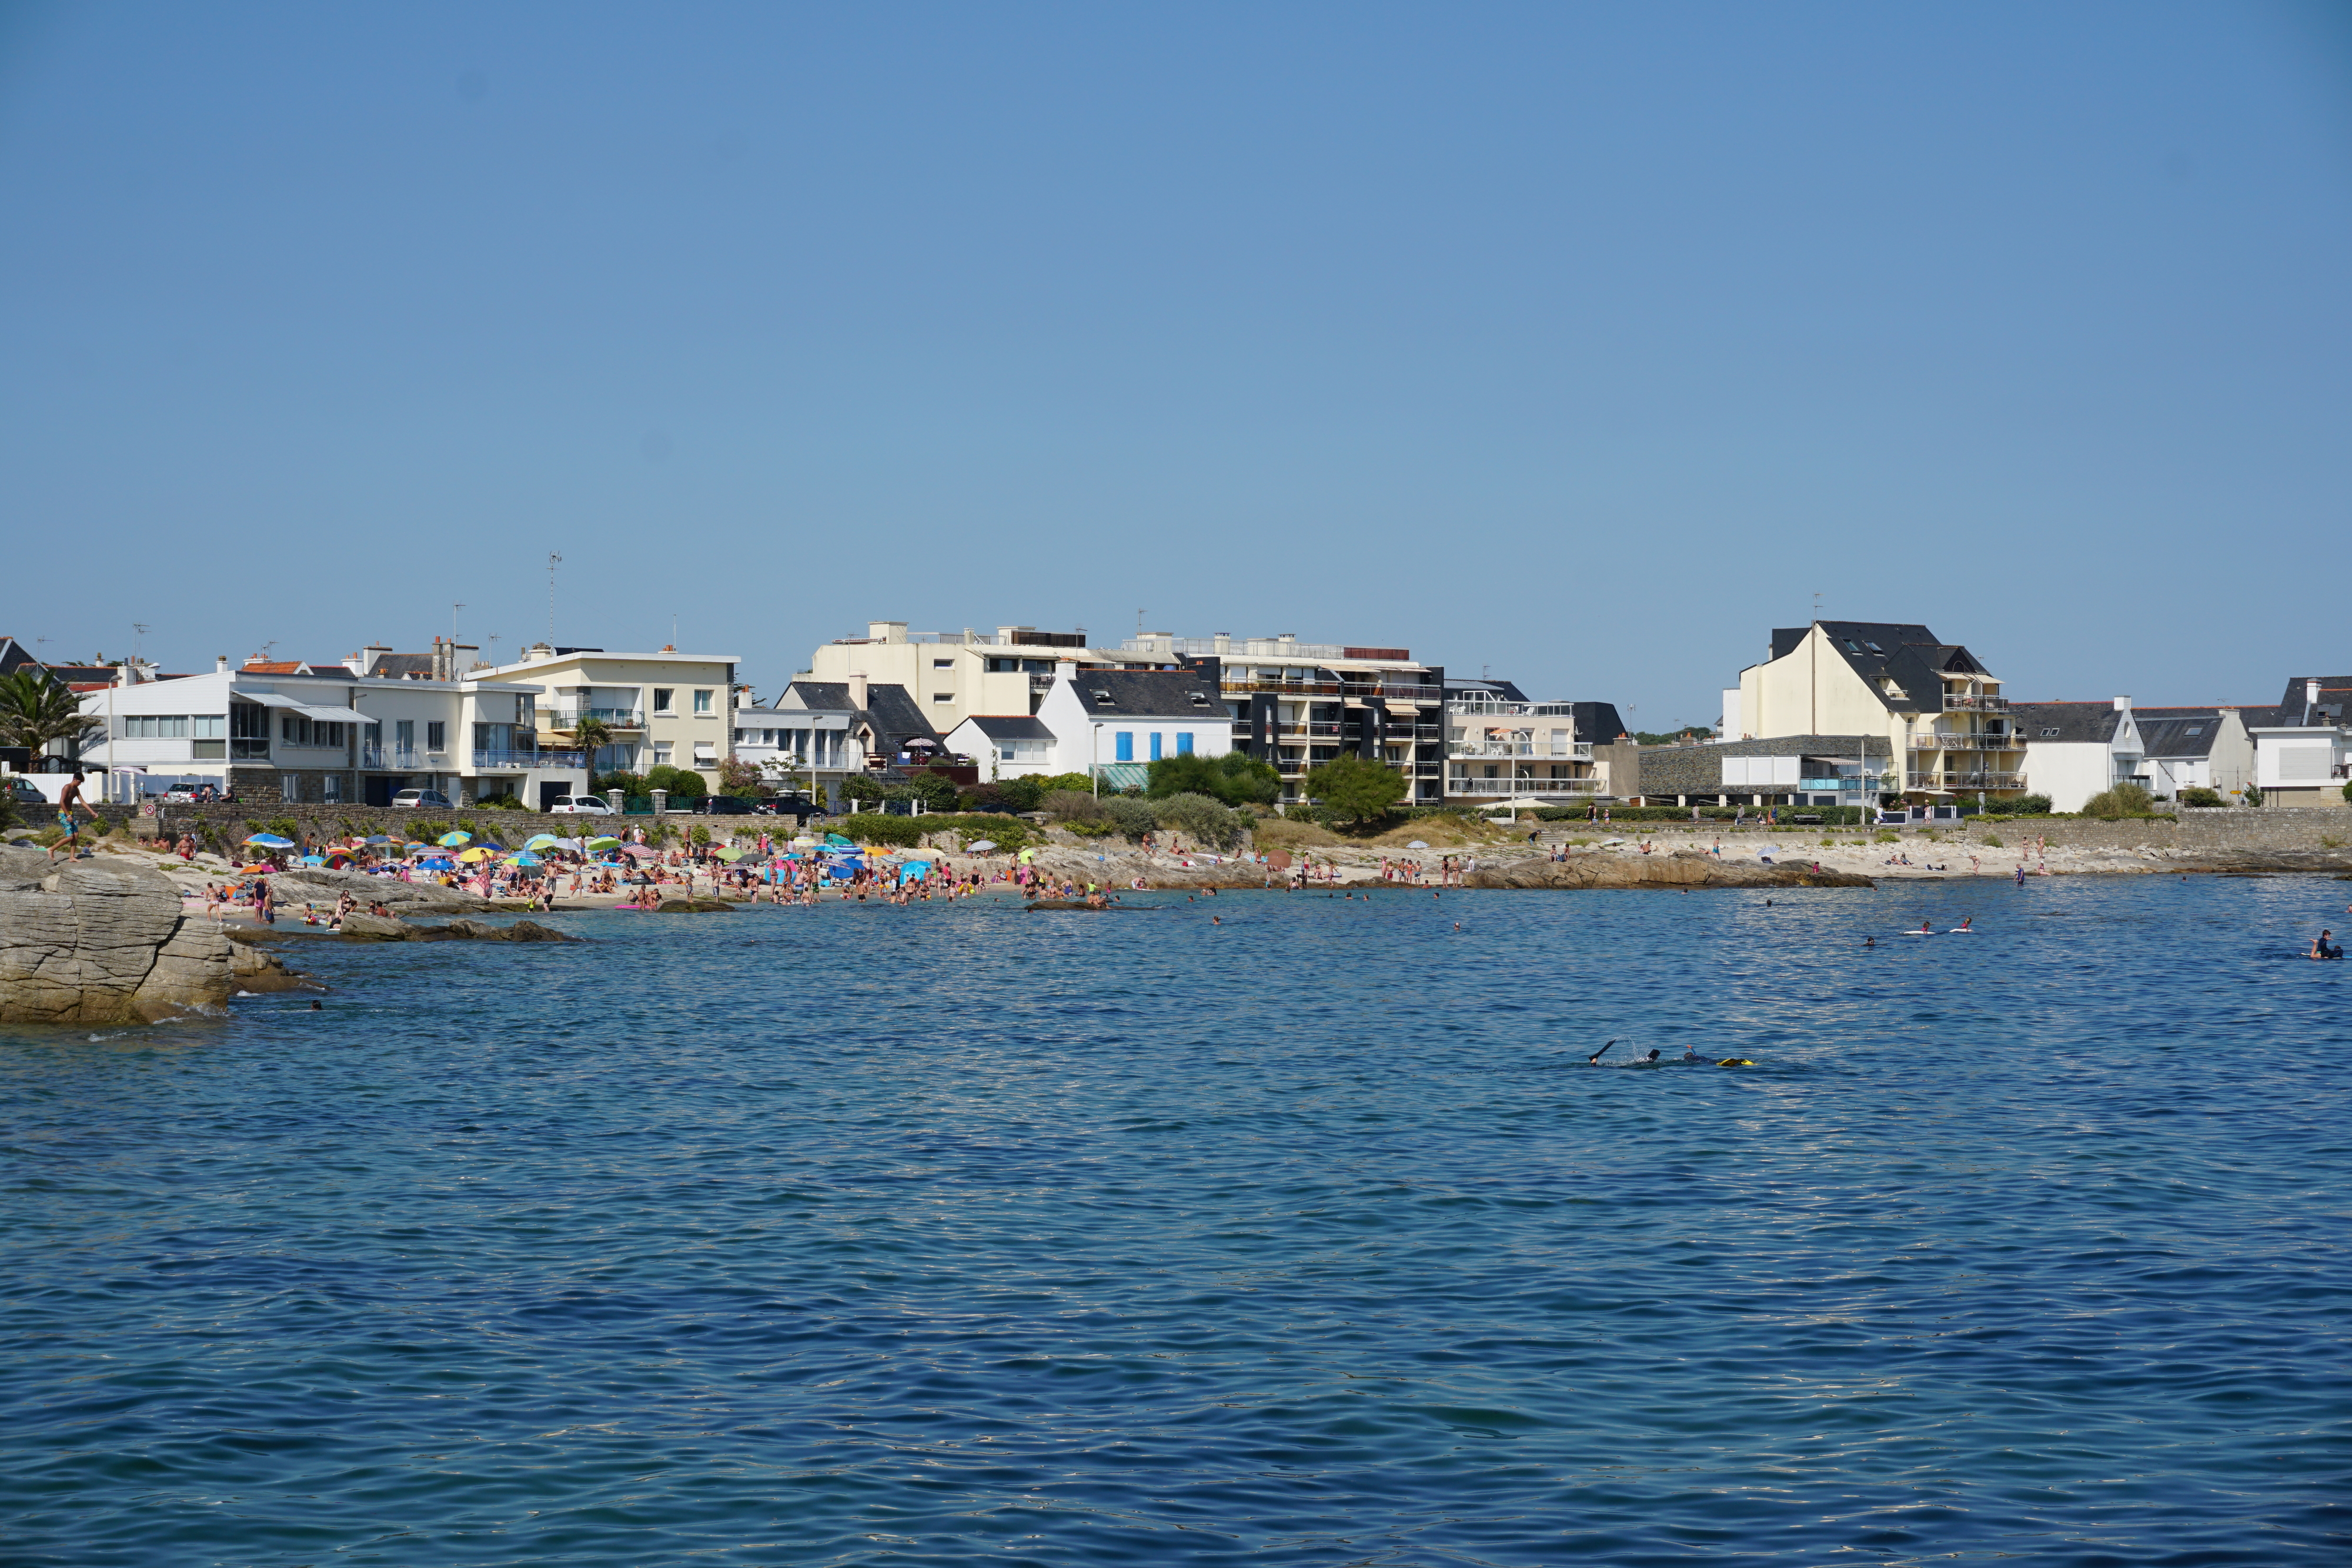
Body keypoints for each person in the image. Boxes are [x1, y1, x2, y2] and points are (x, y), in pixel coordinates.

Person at [48, 769, 96, 863]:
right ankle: (51, 849)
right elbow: (61, 802)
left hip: (70, 813)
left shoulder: (76, 790)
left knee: (76, 835)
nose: (80, 784)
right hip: (63, 814)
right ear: (74, 779)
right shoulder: (67, 787)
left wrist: (92, 812)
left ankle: (72, 857)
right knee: (70, 837)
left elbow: (82, 802)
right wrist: (67, 815)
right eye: (79, 782)